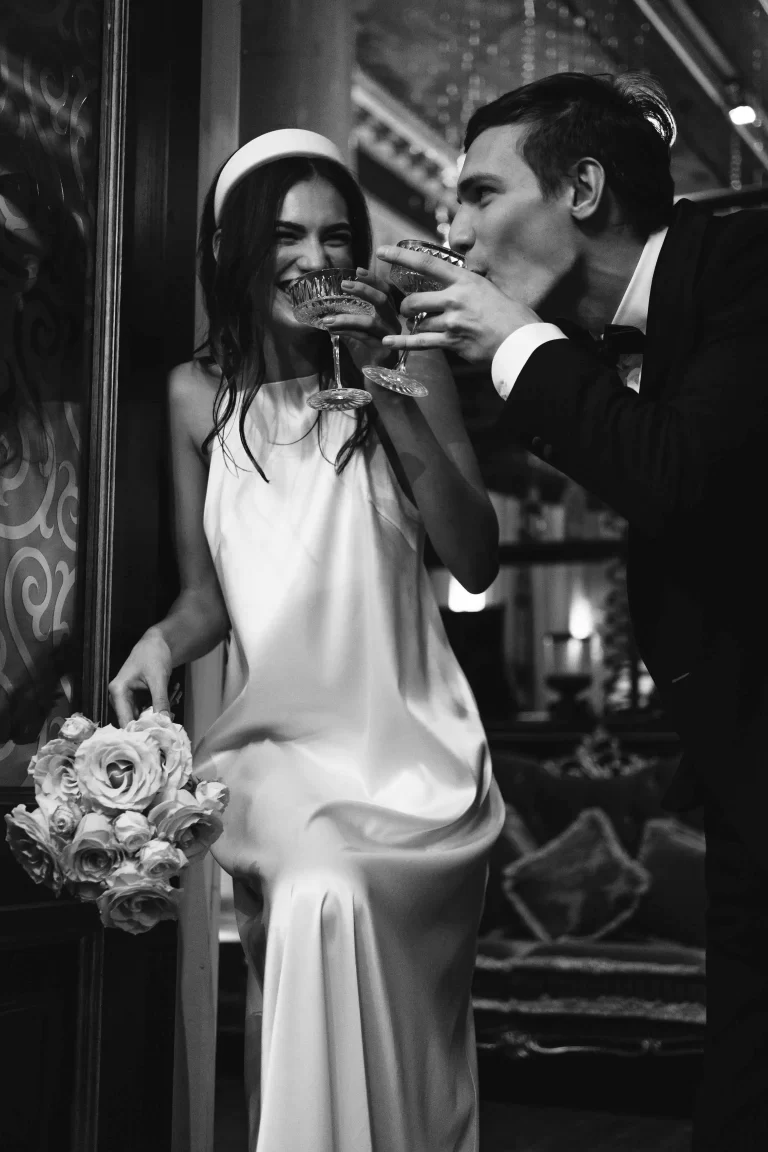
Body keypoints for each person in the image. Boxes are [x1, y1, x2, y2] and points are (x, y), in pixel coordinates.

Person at [378, 71, 768, 1151]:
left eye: (478, 195)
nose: (453, 228)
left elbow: (674, 473)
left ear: (584, 188)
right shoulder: (606, 350)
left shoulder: (749, 265)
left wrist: (509, 334)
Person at [108, 128, 505, 1152]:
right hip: (281, 757)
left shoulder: (408, 370)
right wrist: (159, 641)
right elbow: (210, 598)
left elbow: (474, 557)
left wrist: (389, 390)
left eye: (337, 237)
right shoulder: (197, 395)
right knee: (325, 895)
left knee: (409, 1036)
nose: (317, 260)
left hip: (415, 754)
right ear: (238, 250)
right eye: (287, 236)